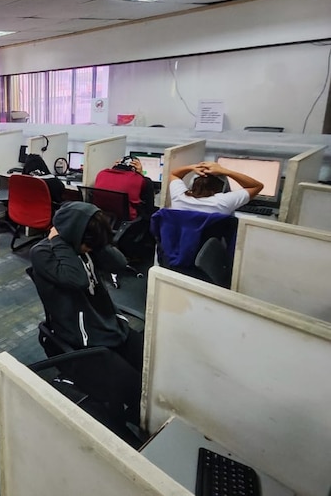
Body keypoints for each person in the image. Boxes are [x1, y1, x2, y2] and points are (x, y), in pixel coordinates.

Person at [29, 202, 142, 426]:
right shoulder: (42, 252)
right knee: (135, 387)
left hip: (108, 322)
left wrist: (98, 244)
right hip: (82, 337)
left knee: (152, 368)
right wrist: (59, 240)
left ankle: (137, 413)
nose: (89, 251)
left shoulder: (85, 245)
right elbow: (76, 279)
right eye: (87, 246)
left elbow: (119, 263)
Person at [169, 161, 263, 214]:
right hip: (210, 248)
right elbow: (256, 186)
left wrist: (193, 167)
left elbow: (174, 174)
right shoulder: (223, 202)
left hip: (176, 247)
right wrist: (226, 171)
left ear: (192, 183)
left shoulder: (179, 197)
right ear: (222, 186)